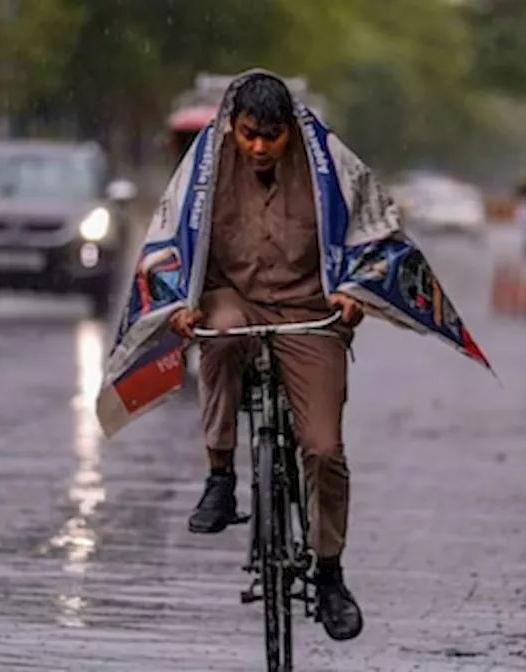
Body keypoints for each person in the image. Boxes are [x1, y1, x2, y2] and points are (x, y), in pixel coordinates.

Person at [165, 76, 365, 641]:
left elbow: (373, 236)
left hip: (310, 310)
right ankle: (221, 475)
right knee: (218, 334)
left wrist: (354, 294)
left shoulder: (331, 165)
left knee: (324, 450)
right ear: (233, 128)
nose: (258, 148)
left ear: (289, 135)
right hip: (235, 299)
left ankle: (329, 574)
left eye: (271, 138)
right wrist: (183, 304)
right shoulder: (204, 168)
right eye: (249, 136)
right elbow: (171, 242)